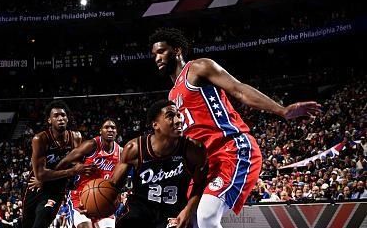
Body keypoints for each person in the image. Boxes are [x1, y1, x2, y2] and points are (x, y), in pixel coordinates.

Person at [149, 28, 322, 228]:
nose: (157, 58)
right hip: (206, 162)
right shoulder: (171, 96)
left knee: (206, 217)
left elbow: (239, 90)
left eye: (161, 51)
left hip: (231, 148)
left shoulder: (198, 68)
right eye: (154, 55)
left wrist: (281, 110)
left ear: (177, 50)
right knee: (193, 220)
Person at [111, 100, 208, 228]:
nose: (178, 120)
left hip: (173, 211)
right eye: (170, 116)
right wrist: (95, 205)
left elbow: (200, 184)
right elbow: (113, 186)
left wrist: (188, 210)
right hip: (139, 211)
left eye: (179, 115)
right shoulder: (135, 148)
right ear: (155, 125)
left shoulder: (194, 149)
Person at [22, 100, 95, 228]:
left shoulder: (75, 137)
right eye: (56, 116)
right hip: (36, 186)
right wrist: (71, 171)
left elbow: (77, 165)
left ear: (67, 118)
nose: (60, 118)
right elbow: (40, 175)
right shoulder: (40, 139)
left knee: (44, 215)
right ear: (49, 120)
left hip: (56, 189)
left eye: (63, 115)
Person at [55, 119, 122, 228]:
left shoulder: (120, 152)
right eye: (106, 127)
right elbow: (65, 161)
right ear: (101, 131)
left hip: (103, 199)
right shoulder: (91, 145)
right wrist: (50, 177)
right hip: (81, 196)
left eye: (113, 128)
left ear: (116, 132)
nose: (110, 130)